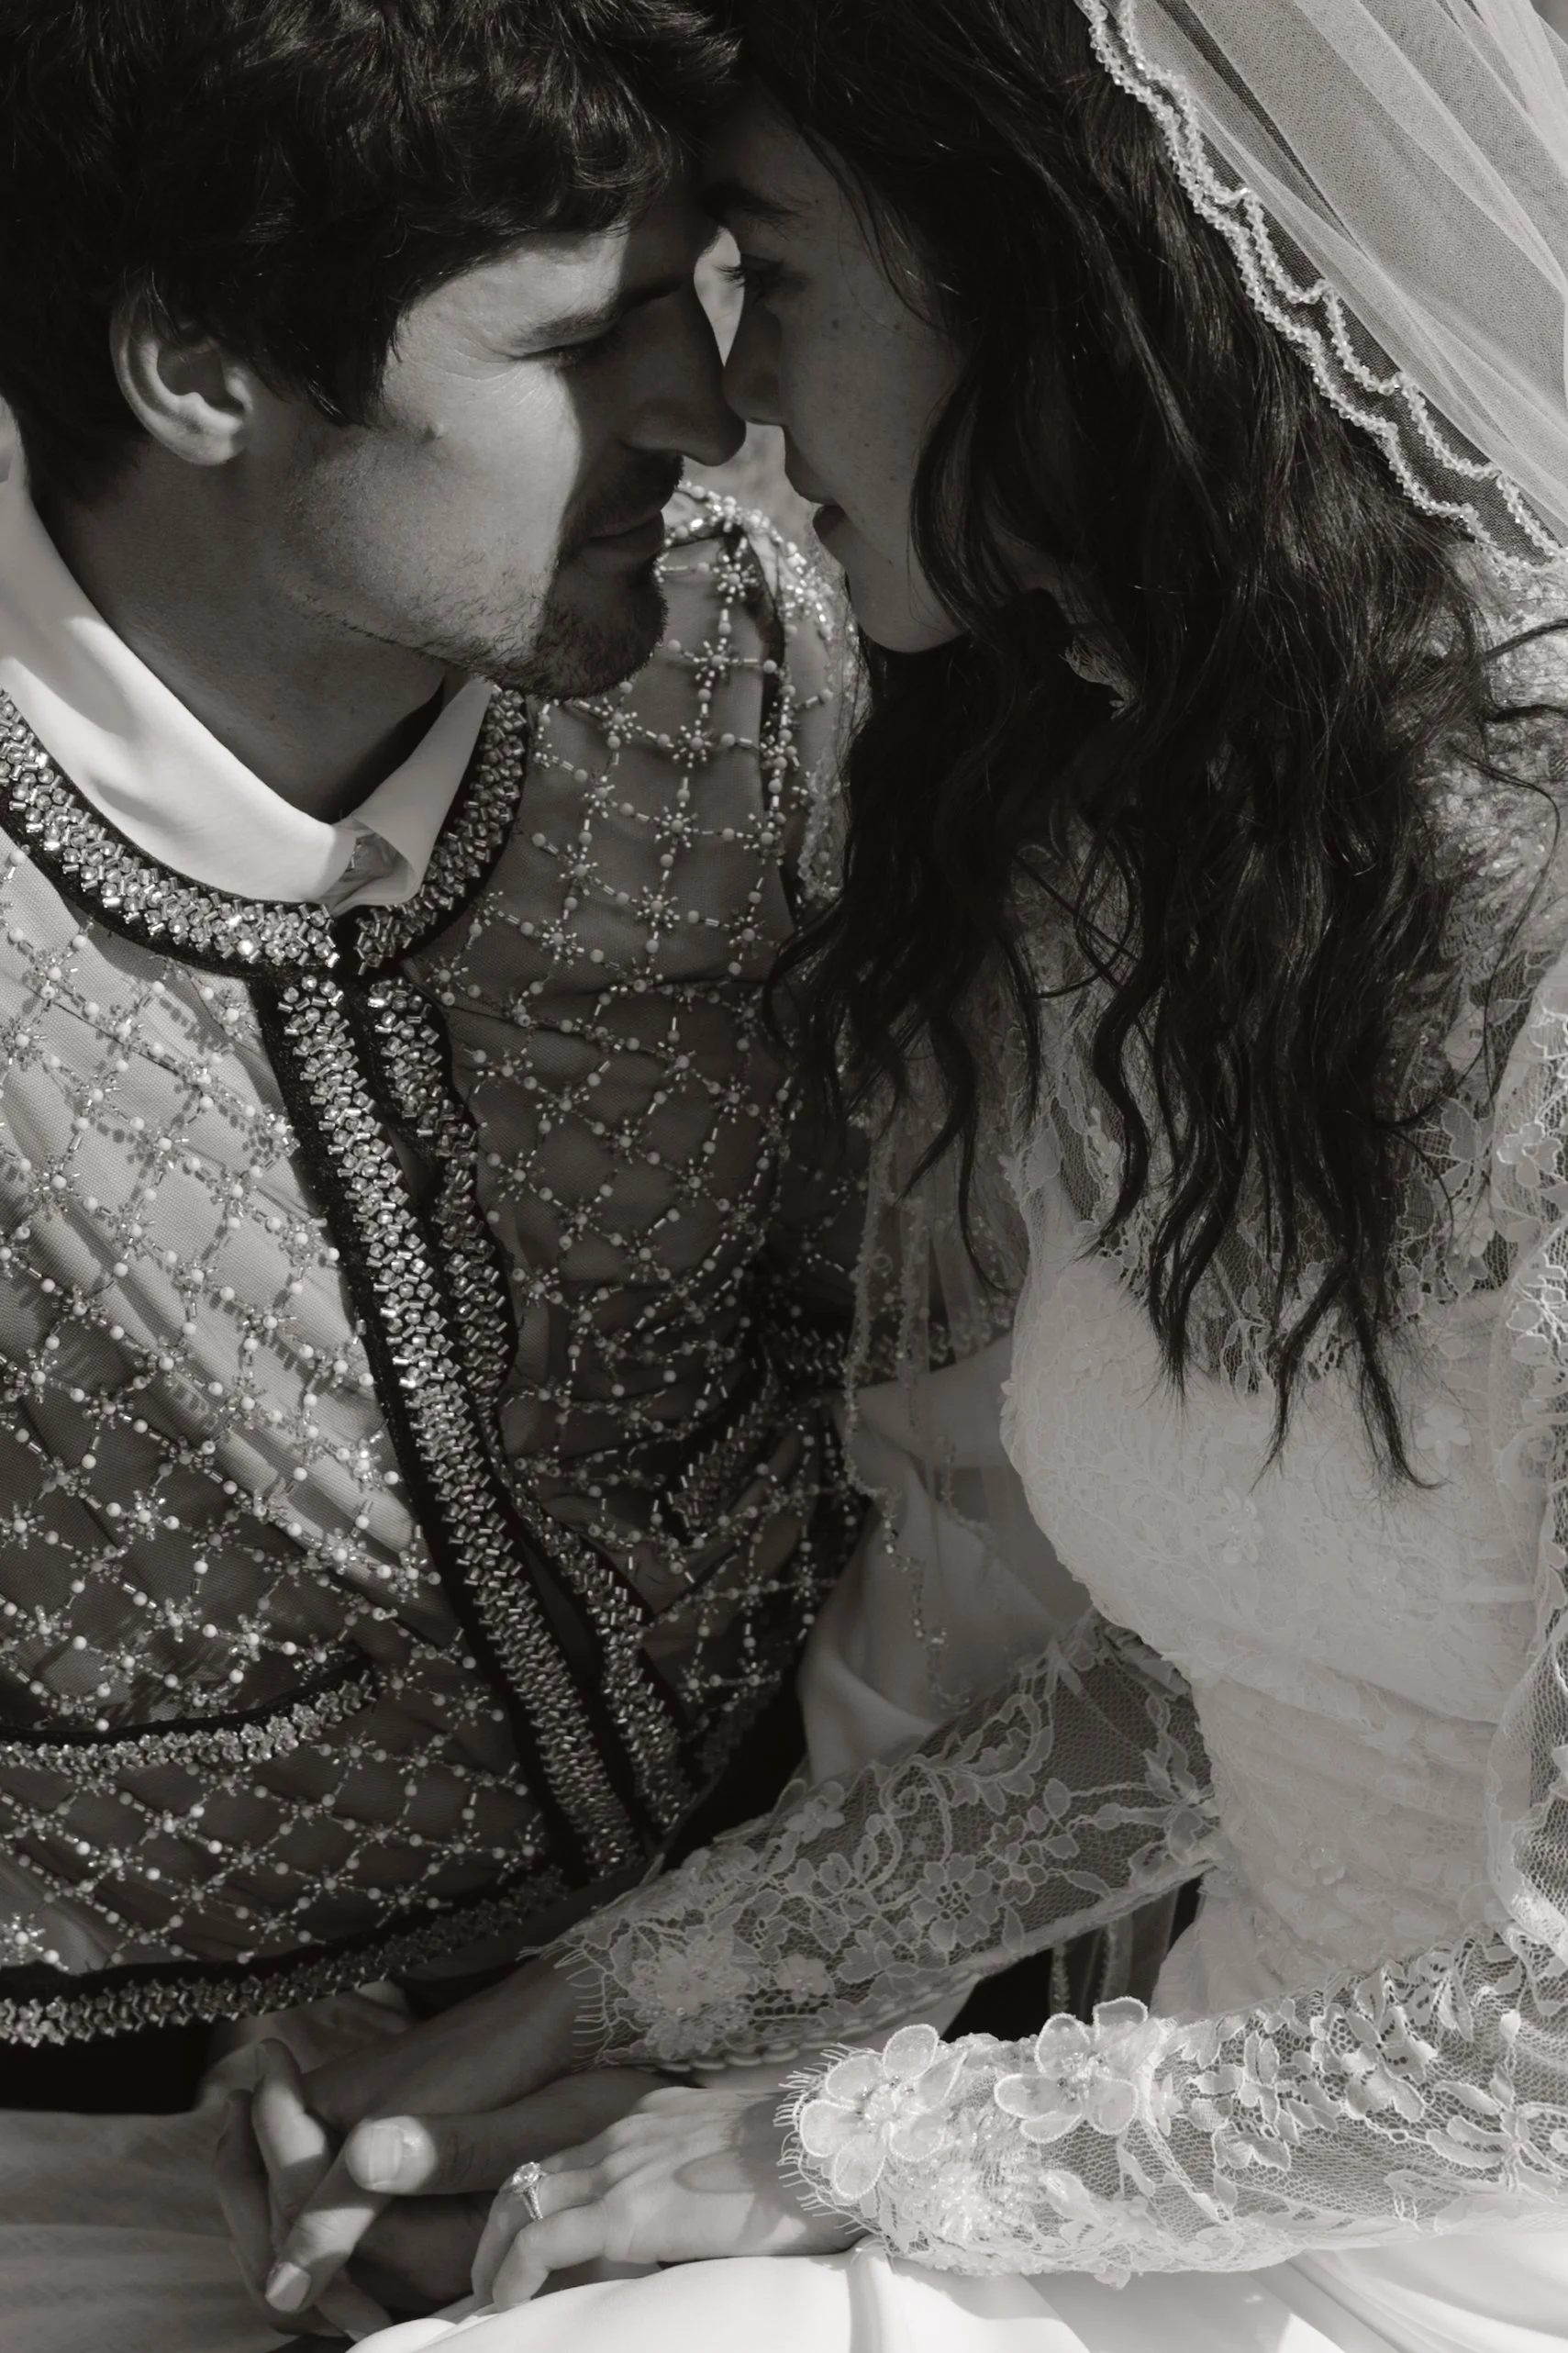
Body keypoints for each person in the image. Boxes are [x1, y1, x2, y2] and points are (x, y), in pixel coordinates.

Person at [257, 1, 1568, 2349]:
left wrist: (820, 2146)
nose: (735, 398)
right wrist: (603, 2010)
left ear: (1047, 284)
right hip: (1169, 2175)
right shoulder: (1144, 867)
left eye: (771, 269)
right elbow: (1249, 1687)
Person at [0, 1, 875, 2342]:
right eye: (579, 342)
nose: (703, 414)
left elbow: (935, 1377)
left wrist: (725, 2008)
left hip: (787, 2051)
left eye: (698, 296)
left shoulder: (756, 658)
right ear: (197, 366)